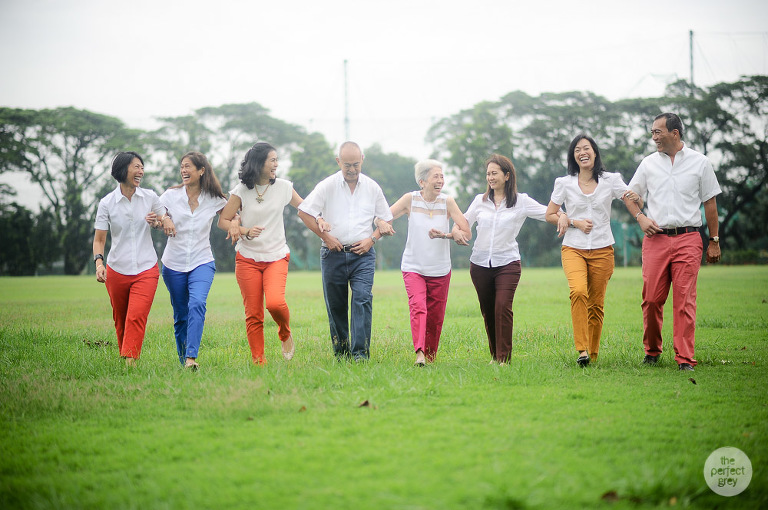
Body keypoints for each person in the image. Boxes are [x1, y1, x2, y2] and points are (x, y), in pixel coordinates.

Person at [625, 113, 721, 372]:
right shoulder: (648, 164)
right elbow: (630, 195)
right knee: (652, 299)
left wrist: (714, 240)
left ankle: (685, 359)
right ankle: (652, 351)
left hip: (689, 238)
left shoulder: (700, 163)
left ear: (675, 133)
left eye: (658, 131)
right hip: (655, 239)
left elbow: (710, 202)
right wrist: (640, 217)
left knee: (684, 299)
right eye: (652, 132)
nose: (653, 137)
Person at [545, 134, 640, 367]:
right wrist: (571, 220)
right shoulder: (564, 183)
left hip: (602, 249)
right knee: (578, 292)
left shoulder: (611, 180)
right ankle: (582, 350)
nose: (582, 152)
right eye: (577, 150)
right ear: (573, 156)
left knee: (596, 304)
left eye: (586, 148)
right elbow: (550, 214)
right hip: (573, 248)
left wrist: (637, 200)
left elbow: (628, 196)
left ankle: (593, 355)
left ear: (595, 152)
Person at [458, 154, 559, 364]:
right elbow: (463, 222)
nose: (490, 177)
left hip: (508, 264)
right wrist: (456, 232)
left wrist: (570, 219)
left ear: (507, 175)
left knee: (502, 307)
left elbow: (547, 213)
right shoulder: (480, 201)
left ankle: (504, 359)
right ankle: (495, 356)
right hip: (479, 264)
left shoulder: (521, 201)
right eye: (488, 174)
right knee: (488, 311)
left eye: (494, 173)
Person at [298, 141, 394, 362]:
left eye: (356, 164)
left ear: (363, 160)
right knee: (336, 304)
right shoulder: (327, 185)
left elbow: (386, 217)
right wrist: (326, 237)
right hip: (333, 254)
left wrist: (372, 239)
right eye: (347, 165)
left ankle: (360, 354)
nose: (352, 170)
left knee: (362, 299)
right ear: (338, 161)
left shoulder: (372, 187)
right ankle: (341, 353)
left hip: (363, 254)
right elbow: (304, 213)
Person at [218, 142, 304, 365]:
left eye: (277, 160)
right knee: (253, 314)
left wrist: (321, 219)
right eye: (272, 160)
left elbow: (304, 208)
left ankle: (284, 333)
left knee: (275, 303)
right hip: (247, 258)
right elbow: (223, 221)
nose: (277, 164)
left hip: (276, 256)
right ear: (259, 163)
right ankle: (259, 360)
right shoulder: (241, 191)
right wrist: (243, 229)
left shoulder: (284, 187)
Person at [146, 151, 227, 370]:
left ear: (201, 171)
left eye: (189, 166)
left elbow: (230, 215)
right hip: (173, 264)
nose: (184, 170)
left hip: (202, 261)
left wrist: (238, 224)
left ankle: (192, 357)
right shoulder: (170, 196)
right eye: (182, 166)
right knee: (180, 314)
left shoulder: (213, 198)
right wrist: (162, 220)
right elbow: (153, 218)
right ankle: (184, 361)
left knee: (197, 303)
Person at [93, 151, 174, 367]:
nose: (141, 171)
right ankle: (126, 355)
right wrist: (99, 263)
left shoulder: (150, 197)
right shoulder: (107, 203)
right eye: (136, 166)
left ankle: (131, 362)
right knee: (121, 320)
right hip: (117, 269)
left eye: (142, 167)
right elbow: (99, 239)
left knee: (136, 316)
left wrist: (158, 222)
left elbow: (164, 218)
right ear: (122, 169)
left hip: (146, 268)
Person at [387, 159, 471, 365]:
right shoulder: (410, 199)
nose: (440, 180)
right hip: (413, 266)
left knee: (436, 316)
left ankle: (430, 356)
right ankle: (420, 354)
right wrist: (381, 225)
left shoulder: (448, 202)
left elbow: (466, 230)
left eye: (442, 176)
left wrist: (448, 235)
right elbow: (384, 216)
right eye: (436, 176)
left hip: (441, 269)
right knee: (418, 307)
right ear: (422, 181)